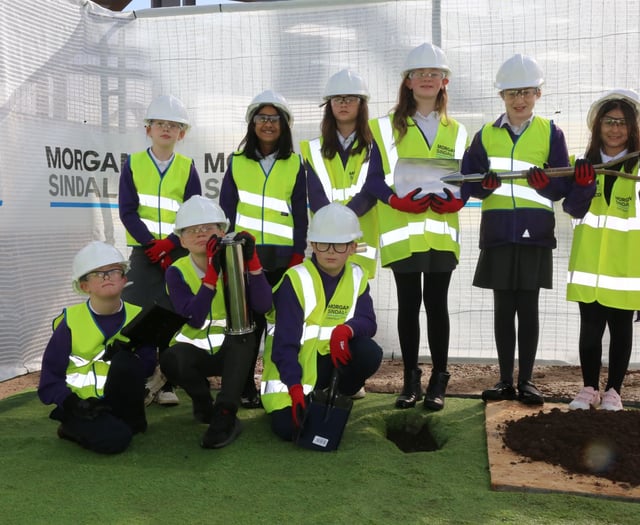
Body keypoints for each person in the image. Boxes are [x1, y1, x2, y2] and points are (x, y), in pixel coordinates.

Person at [460, 53, 590, 405]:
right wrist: (483, 187)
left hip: (535, 234)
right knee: (504, 308)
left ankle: (527, 381)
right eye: (512, 93)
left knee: (528, 308)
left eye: (527, 92)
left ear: (538, 94)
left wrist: (543, 185)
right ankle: (504, 380)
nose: (520, 100)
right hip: (499, 233)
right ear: (502, 96)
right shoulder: (485, 134)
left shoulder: (551, 132)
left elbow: (562, 189)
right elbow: (468, 185)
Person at [367, 43, 468, 411]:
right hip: (402, 232)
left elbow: (467, 178)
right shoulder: (382, 127)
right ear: (408, 82)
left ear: (444, 82)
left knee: (436, 305)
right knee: (409, 305)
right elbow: (373, 181)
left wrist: (461, 199)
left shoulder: (458, 130)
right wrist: (396, 201)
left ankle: (439, 380)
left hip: (441, 232)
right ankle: (411, 381)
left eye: (434, 73)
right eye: (419, 73)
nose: (427, 78)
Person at [261, 203, 383, 441]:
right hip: (293, 371)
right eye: (323, 243)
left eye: (339, 245)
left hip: (329, 364)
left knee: (369, 352)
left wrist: (346, 330)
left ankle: (337, 395)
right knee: (290, 430)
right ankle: (308, 397)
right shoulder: (295, 280)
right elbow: (284, 345)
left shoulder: (357, 276)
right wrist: (294, 388)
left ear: (352, 247)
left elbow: (368, 321)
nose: (330, 251)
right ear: (313, 245)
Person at [160, 196, 273, 448]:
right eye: (192, 230)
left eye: (209, 227)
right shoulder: (176, 271)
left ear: (223, 232)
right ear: (181, 239)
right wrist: (212, 272)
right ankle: (202, 401)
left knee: (245, 335)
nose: (201, 234)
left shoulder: (237, 261)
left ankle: (225, 414)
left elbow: (264, 306)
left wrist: (253, 263)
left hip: (233, 354)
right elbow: (195, 318)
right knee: (171, 358)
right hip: (195, 354)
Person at [219, 90, 308, 409]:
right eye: (262, 118)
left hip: (284, 259)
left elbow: (300, 212)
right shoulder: (237, 162)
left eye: (274, 119)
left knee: (280, 325)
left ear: (285, 125)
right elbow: (226, 210)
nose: (268, 124)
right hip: (245, 259)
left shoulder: (296, 163)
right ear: (252, 123)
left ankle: (278, 386)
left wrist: (298, 254)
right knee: (247, 327)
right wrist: (227, 255)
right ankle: (244, 387)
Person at [118, 94, 202, 407]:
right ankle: (140, 376)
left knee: (172, 313)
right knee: (136, 311)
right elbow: (127, 211)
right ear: (148, 129)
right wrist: (152, 245)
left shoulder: (186, 167)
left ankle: (167, 384)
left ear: (182, 134)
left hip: (176, 252)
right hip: (144, 252)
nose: (166, 129)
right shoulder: (134, 164)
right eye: (160, 123)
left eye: (173, 125)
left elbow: (193, 212)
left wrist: (171, 243)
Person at [38, 241, 156, 454]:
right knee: (116, 440)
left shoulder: (139, 317)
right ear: (84, 286)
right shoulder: (70, 323)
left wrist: (130, 355)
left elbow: (147, 367)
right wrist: (72, 404)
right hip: (81, 406)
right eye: (97, 273)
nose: (107, 277)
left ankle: (124, 420)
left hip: (118, 402)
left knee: (126, 364)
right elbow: (49, 380)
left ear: (124, 279)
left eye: (114, 271)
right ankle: (69, 427)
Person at [566, 89, 640, 411]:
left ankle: (613, 391)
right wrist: (582, 186)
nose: (615, 129)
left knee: (621, 330)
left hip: (626, 270)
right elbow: (572, 208)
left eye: (622, 123)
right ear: (598, 126)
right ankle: (588, 388)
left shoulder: (638, 169)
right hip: (589, 267)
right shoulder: (582, 164)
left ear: (633, 128)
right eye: (609, 121)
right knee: (590, 329)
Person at [300, 68, 382, 279]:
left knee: (357, 295)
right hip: (326, 240)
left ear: (361, 105)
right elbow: (316, 195)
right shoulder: (314, 149)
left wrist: (341, 221)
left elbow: (370, 192)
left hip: (360, 241)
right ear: (329, 105)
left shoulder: (376, 147)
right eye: (337, 99)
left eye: (350, 98)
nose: (343, 103)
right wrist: (336, 226)